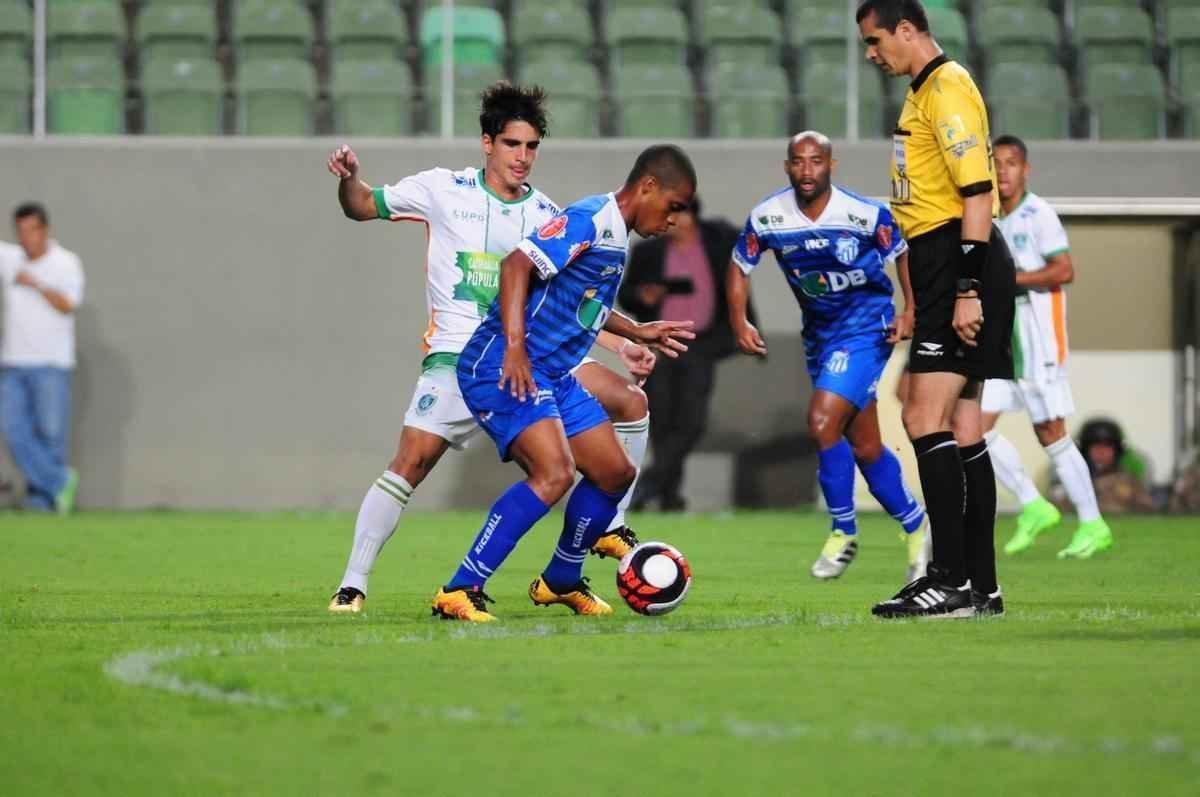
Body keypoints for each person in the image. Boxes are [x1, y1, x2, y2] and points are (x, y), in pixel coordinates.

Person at [324, 83, 657, 614]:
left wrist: (623, 342)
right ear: (486, 142)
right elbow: (361, 206)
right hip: (461, 356)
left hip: (529, 358)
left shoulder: (548, 212)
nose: (522, 157)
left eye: (531, 147)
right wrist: (350, 181)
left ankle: (606, 528)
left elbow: (567, 301)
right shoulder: (442, 188)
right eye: (511, 144)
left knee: (630, 401)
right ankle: (353, 583)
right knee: (410, 463)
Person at [433, 145, 698, 622]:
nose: (676, 219)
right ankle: (460, 588)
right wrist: (514, 346)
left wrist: (635, 330)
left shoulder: (615, 238)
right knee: (554, 474)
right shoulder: (590, 219)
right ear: (648, 187)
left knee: (615, 472)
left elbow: (584, 303)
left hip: (550, 374)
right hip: (502, 365)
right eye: (674, 206)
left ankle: (560, 580)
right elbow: (516, 265)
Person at [858, 0, 1017, 619]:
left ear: (906, 29)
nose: (872, 55)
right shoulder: (925, 90)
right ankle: (981, 585)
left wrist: (967, 287)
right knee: (963, 425)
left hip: (958, 258)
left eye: (876, 41)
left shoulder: (945, 88)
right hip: (943, 261)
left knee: (923, 415)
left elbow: (977, 191)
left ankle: (947, 579)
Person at [726, 131, 930, 583]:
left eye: (816, 161)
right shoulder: (769, 217)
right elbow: (740, 265)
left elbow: (902, 253)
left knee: (821, 422)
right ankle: (917, 526)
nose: (806, 170)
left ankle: (843, 531)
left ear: (831, 165)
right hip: (819, 336)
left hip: (865, 328)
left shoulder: (862, 213)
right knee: (866, 446)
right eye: (798, 162)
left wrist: (910, 310)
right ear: (787, 167)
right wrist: (739, 320)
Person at [980, 136, 1115, 559]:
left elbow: (1064, 269)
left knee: (1050, 432)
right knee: (971, 427)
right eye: (996, 164)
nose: (1003, 171)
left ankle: (1094, 524)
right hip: (1003, 339)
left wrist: (1010, 280)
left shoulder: (1038, 215)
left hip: (1038, 338)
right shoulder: (988, 217)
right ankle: (1033, 504)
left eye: (1011, 163)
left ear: (1026, 170)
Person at [618, 197, 742, 512]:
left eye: (682, 214)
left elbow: (742, 257)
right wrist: (645, 295)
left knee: (692, 421)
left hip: (702, 343)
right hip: (661, 343)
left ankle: (649, 482)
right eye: (671, 215)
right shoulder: (649, 250)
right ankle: (669, 496)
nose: (676, 222)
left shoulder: (716, 243)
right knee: (661, 420)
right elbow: (627, 295)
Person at [0, 203, 83, 514]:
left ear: (44, 230)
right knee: (11, 428)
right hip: (13, 363)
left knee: (51, 436)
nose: (25, 238)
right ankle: (60, 481)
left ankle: (44, 501)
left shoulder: (66, 263)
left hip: (52, 364)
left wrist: (35, 283)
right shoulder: (9, 258)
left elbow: (67, 304)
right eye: (20, 231)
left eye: (31, 230)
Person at [1056, 417, 1154, 515]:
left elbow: (1148, 509)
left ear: (1117, 451)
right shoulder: (1072, 480)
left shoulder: (1129, 481)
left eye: (1107, 446)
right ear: (1085, 450)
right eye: (1096, 446)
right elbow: (1060, 507)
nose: (1101, 452)